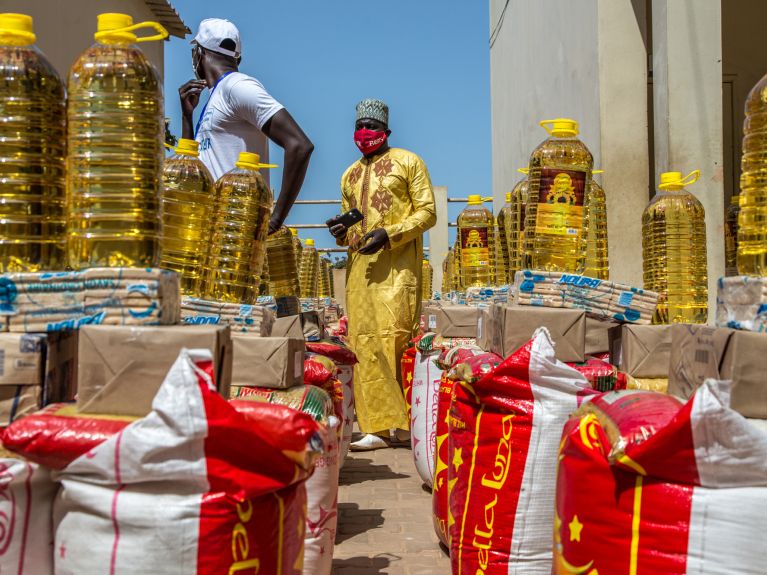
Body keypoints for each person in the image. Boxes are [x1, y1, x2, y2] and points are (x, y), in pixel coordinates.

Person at [329, 99, 436, 450]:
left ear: (386, 131)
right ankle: (375, 427)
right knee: (363, 342)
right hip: (360, 270)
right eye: (359, 127)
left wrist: (390, 235)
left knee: (395, 340)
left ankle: (405, 426)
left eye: (372, 127)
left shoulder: (408, 162)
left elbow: (428, 213)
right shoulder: (349, 174)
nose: (364, 133)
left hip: (397, 268)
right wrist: (340, 231)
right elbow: (351, 221)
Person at [179, 18, 313, 232]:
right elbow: (190, 167)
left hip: (235, 228)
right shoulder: (217, 96)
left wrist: (275, 220)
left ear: (200, 53)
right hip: (210, 228)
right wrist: (187, 117)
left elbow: (299, 145)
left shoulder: (237, 86)